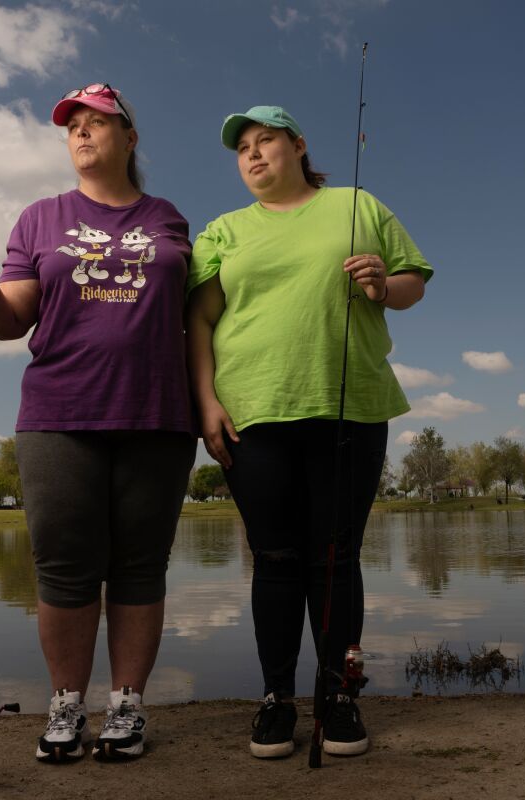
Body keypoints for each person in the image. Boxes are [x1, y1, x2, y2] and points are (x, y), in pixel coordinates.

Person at [0, 83, 195, 764]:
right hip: (59, 414)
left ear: (129, 137)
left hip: (158, 416)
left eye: (97, 123)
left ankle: (126, 706)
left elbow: (198, 320)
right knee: (63, 567)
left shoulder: (169, 218)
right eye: (72, 126)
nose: (81, 133)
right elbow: (6, 322)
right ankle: (66, 704)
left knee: (141, 566)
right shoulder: (40, 218)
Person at [186, 105, 431, 758]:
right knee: (274, 558)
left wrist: (384, 283)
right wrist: (205, 402)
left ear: (298, 145)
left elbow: (412, 284)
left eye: (265, 141)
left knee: (336, 557)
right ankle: (275, 701)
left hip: (350, 407)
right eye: (242, 149)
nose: (254, 154)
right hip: (251, 414)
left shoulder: (357, 204)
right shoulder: (224, 231)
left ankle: (339, 694)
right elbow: (201, 323)